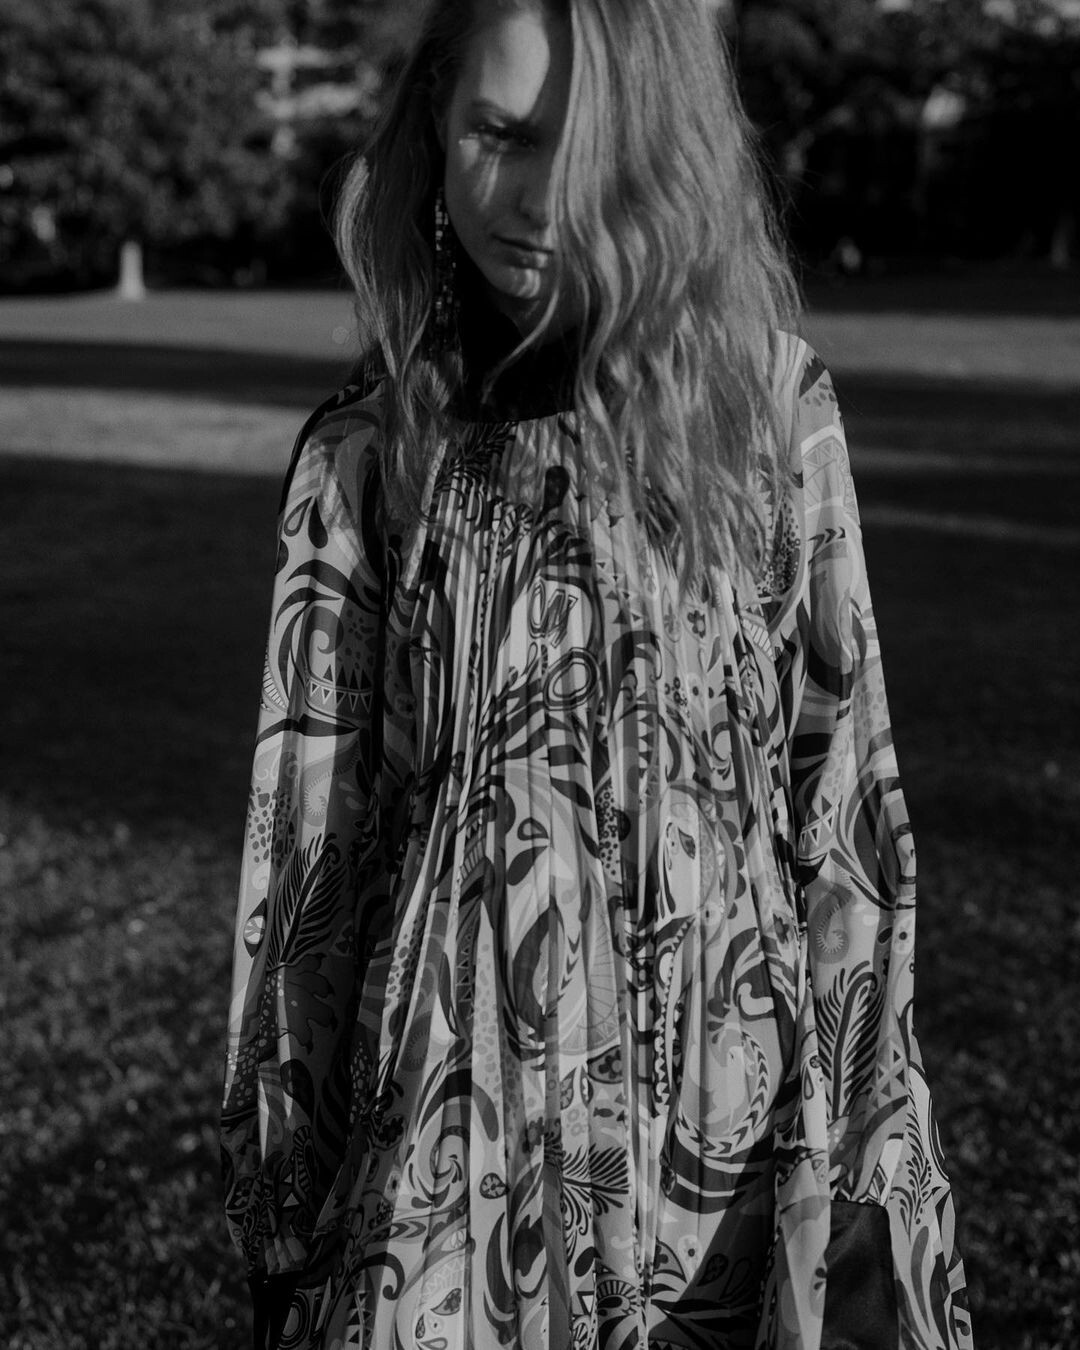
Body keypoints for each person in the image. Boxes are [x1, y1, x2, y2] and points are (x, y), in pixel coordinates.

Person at [221, 2, 973, 1347]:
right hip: (454, 1146)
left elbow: (846, 805)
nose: (538, 199)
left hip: (721, 1147)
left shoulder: (767, 413)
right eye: (500, 135)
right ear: (434, 119)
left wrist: (871, 1158)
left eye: (587, 145)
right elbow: (308, 869)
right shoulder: (366, 455)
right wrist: (284, 1210)